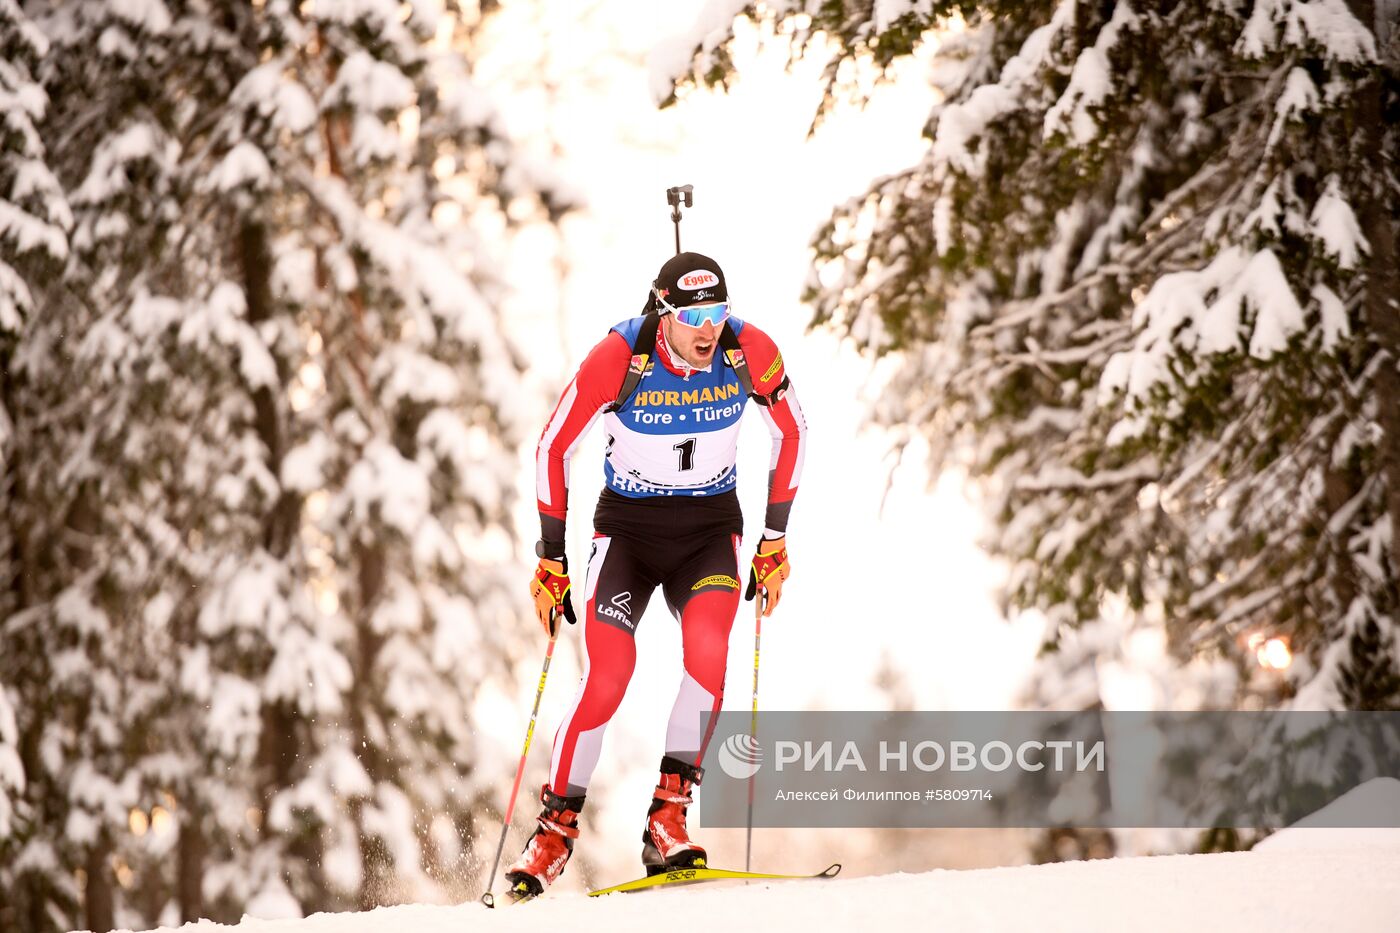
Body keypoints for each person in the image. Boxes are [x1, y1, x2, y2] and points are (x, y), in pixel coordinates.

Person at [504, 251, 807, 897]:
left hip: (707, 534)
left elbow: (794, 431)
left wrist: (774, 539)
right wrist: (551, 556)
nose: (708, 329)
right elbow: (553, 445)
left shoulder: (747, 350)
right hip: (630, 536)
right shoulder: (620, 356)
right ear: (664, 312)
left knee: (707, 653)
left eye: (717, 313)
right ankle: (554, 831)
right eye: (694, 315)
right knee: (610, 674)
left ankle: (667, 818)